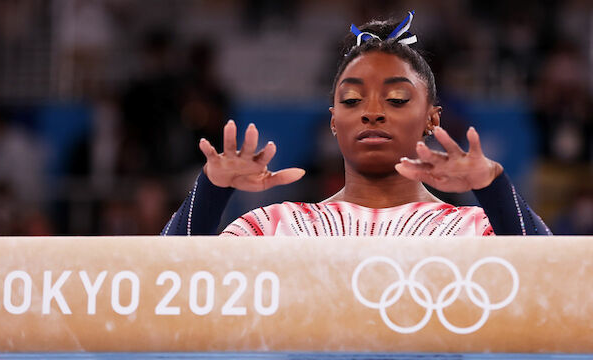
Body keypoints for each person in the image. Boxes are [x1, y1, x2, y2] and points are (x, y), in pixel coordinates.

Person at [162, 12, 552, 237]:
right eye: (351, 100)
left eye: (397, 98)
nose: (372, 112)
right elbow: (164, 285)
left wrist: (494, 186)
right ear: (334, 121)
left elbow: (553, 283)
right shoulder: (276, 227)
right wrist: (211, 190)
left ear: (432, 117)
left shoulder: (478, 229)